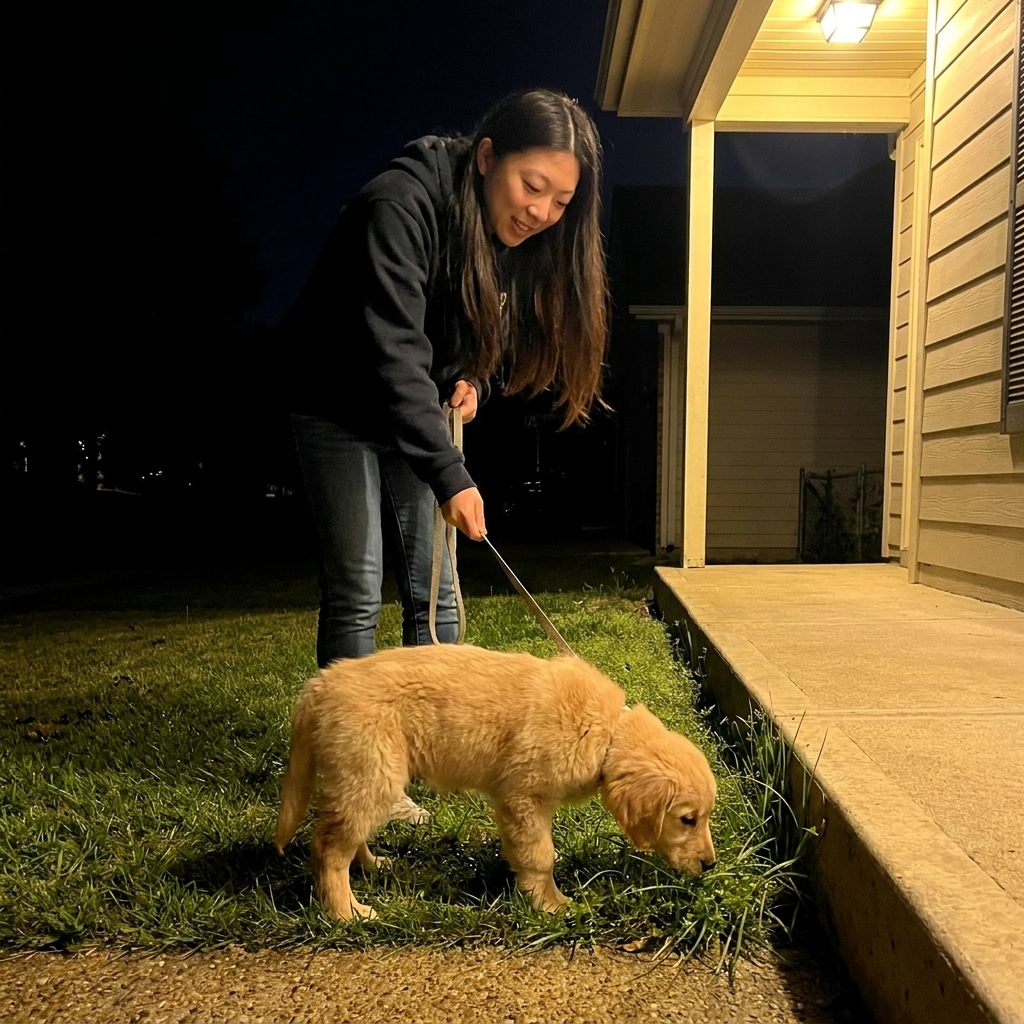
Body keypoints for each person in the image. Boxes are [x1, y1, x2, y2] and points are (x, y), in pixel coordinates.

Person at [284, 88, 608, 668]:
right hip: (336, 401)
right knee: (358, 590)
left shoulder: (506, 233)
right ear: (486, 157)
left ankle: (436, 742)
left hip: (414, 406)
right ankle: (350, 748)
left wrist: (470, 381)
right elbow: (396, 349)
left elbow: (477, 331)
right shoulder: (399, 206)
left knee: (437, 594)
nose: (541, 214)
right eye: (532, 187)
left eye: (561, 202)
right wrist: (450, 474)